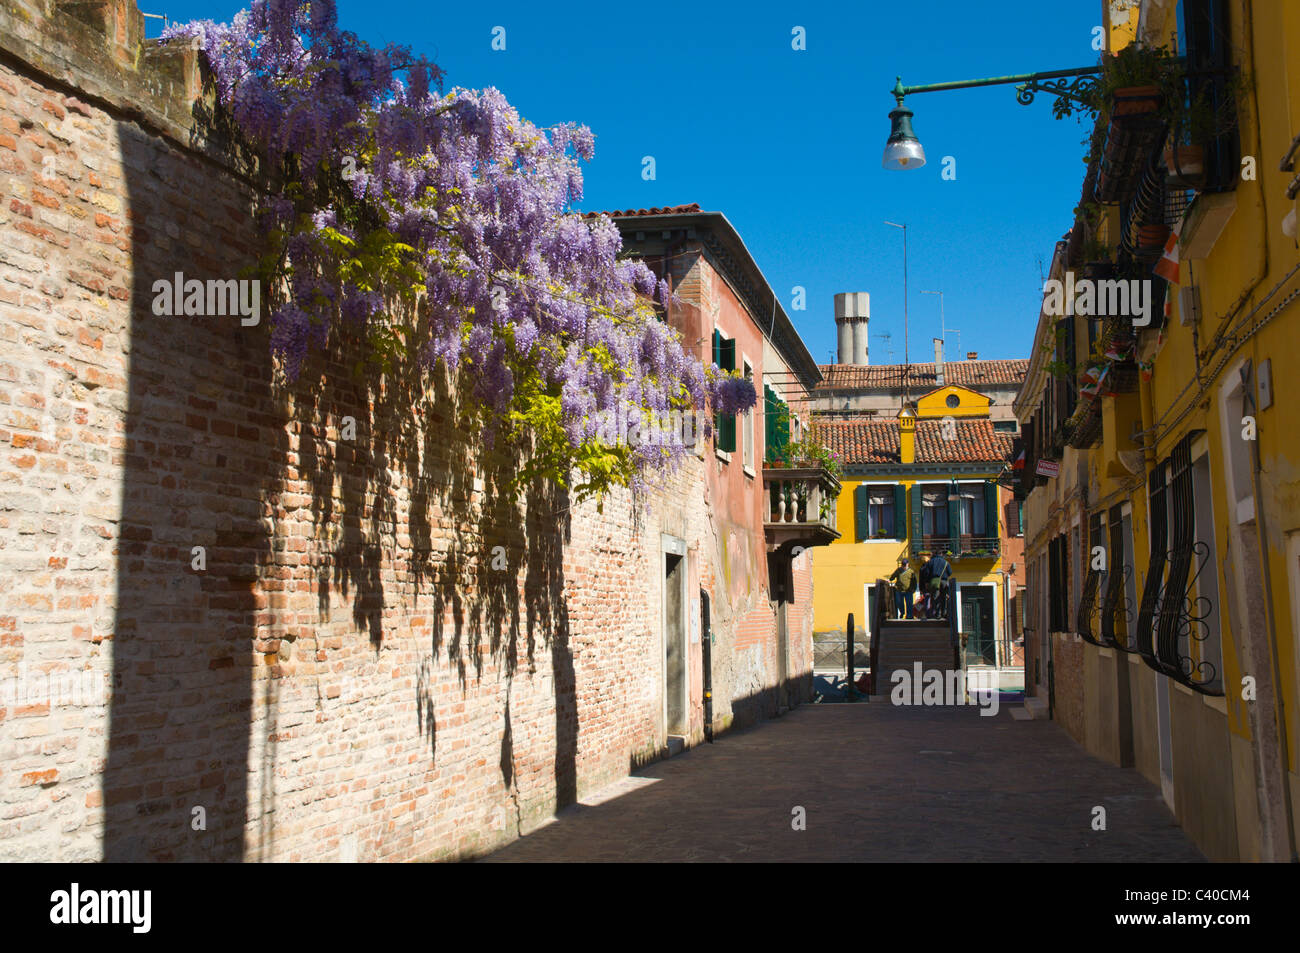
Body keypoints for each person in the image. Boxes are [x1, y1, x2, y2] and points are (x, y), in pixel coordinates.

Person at [924, 550, 953, 619]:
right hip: (943, 581)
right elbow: (950, 572)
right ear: (941, 554)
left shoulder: (930, 562)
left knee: (935, 597)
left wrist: (927, 582)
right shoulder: (945, 562)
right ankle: (944, 613)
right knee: (943, 597)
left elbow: (926, 573)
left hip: (934, 581)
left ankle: (938, 614)